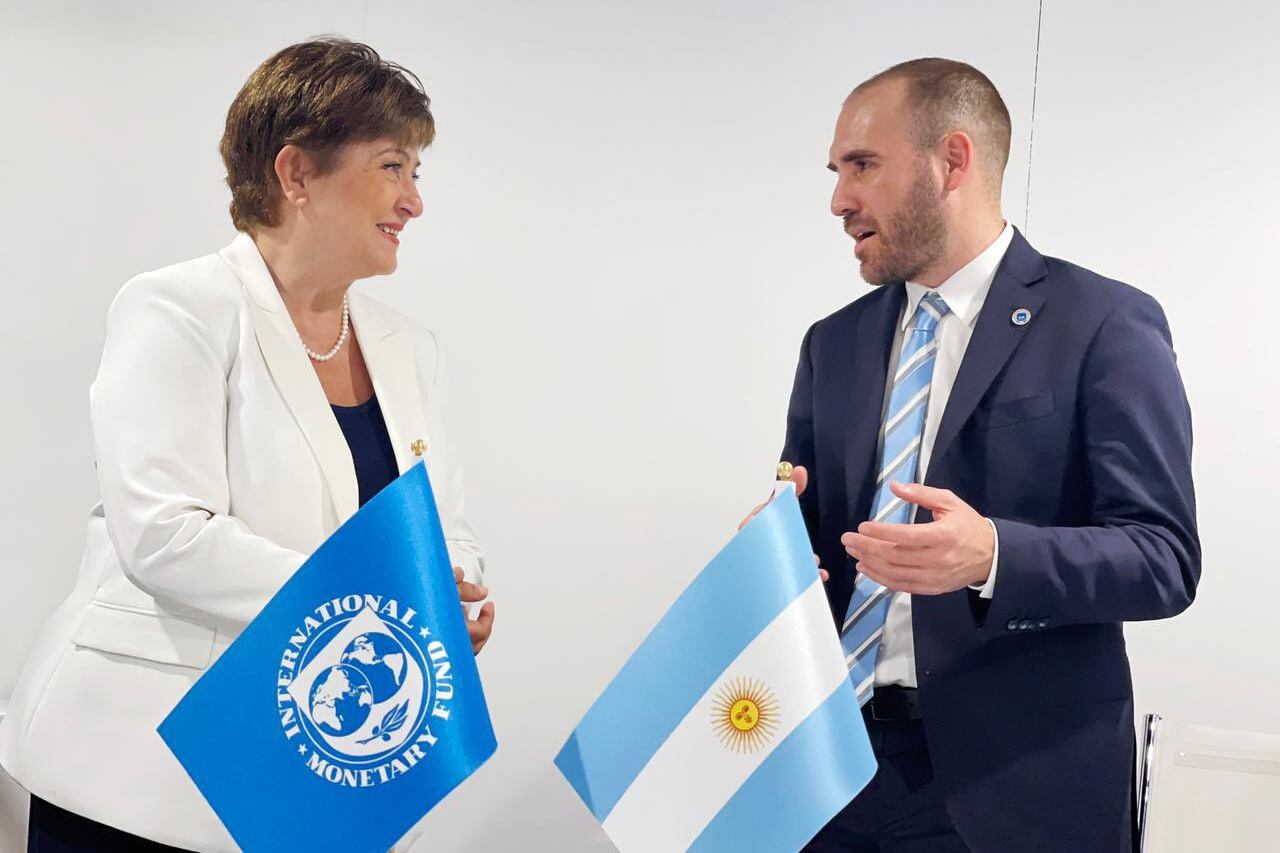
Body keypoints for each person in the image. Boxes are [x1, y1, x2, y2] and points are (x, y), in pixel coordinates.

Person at [0, 38, 494, 851]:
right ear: (295, 173)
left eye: (416, 173)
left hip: (304, 765)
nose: (414, 202)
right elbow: (165, 534)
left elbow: (441, 522)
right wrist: (382, 602)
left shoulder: (411, 346)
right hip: (138, 772)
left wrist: (453, 591)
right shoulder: (177, 308)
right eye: (392, 167)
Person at [772, 58, 1199, 852]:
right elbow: (809, 531)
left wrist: (993, 554)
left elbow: (1164, 558)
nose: (839, 200)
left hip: (1013, 790)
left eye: (862, 165)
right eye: (837, 172)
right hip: (831, 775)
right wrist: (772, 552)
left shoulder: (1103, 324)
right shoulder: (832, 345)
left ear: (953, 161)